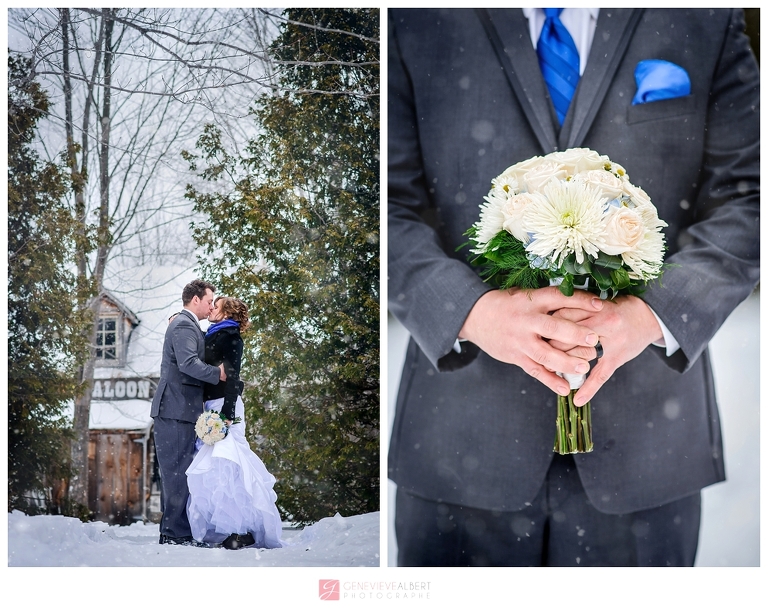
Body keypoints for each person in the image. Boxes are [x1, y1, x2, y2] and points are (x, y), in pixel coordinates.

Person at [388, 8, 759, 565]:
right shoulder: (414, 20)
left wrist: (653, 316)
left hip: (648, 450)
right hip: (458, 444)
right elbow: (382, 201)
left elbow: (751, 195)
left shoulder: (704, 15)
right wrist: (471, 311)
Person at [186, 296, 283, 550]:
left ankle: (240, 530)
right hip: (210, 405)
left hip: (224, 406)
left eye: (215, 306)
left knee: (230, 466)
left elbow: (232, 375)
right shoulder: (214, 333)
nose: (211, 309)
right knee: (215, 469)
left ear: (226, 312)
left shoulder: (230, 337)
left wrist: (227, 414)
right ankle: (223, 529)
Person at [151, 279, 227, 547]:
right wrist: (217, 374)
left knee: (179, 472)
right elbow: (187, 364)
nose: (211, 307)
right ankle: (174, 535)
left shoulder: (185, 324)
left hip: (179, 410)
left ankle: (175, 532)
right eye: (208, 301)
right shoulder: (184, 324)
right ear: (195, 300)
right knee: (176, 473)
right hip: (175, 409)